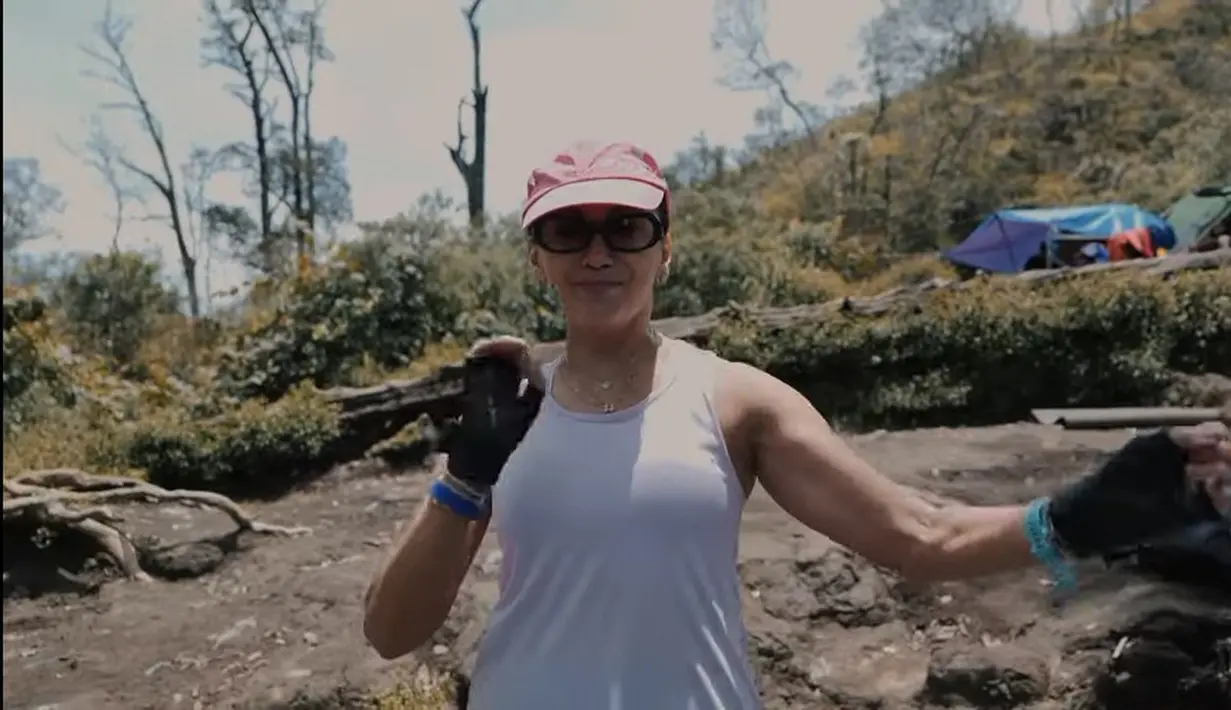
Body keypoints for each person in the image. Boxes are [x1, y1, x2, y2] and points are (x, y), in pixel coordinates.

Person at [363, 141, 1231, 710]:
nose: (599, 252)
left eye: (625, 227)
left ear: (665, 246)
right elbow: (390, 632)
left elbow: (920, 535)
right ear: (538, 256)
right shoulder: (504, 411)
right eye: (569, 230)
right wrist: (465, 476)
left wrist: (1080, 515)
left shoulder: (736, 399)